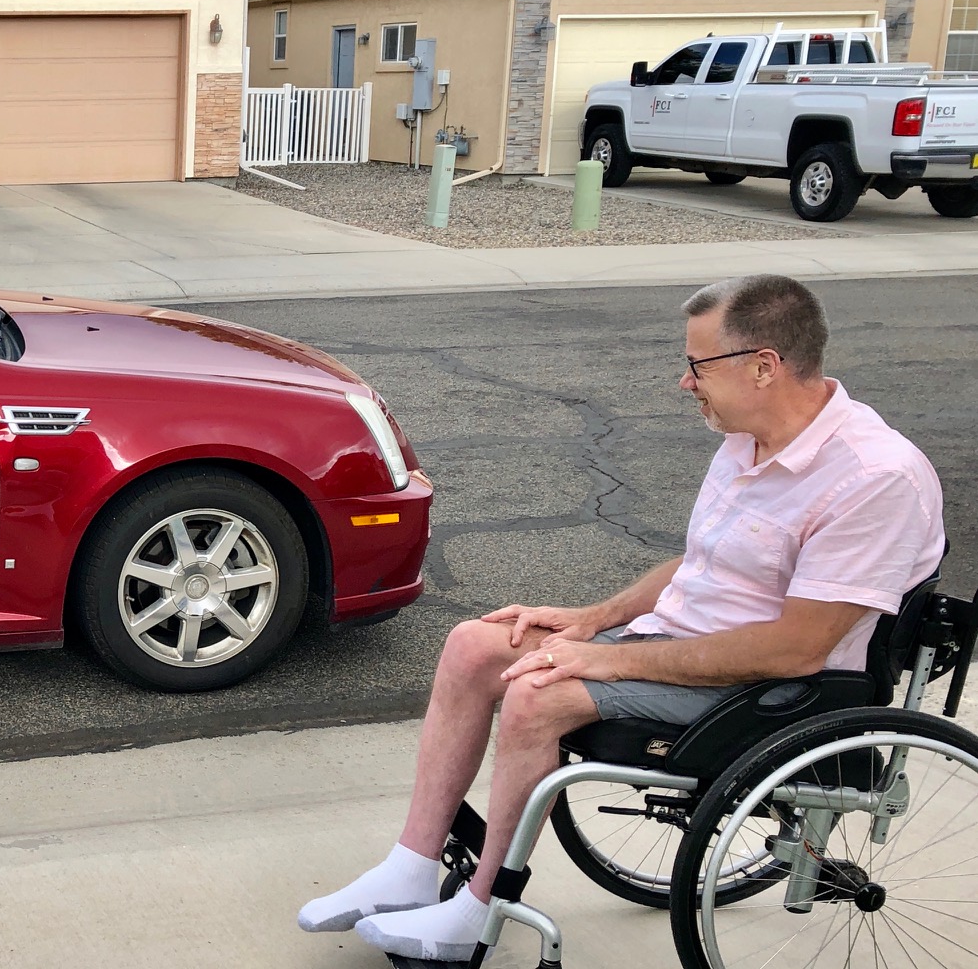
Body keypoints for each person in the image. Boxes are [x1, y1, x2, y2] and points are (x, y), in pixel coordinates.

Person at [298, 274, 944, 962]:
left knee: (536, 694)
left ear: (764, 367)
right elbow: (703, 563)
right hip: (683, 647)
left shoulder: (873, 479)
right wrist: (591, 619)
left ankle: (477, 908)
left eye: (698, 366)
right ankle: (409, 870)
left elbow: (796, 648)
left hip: (770, 689)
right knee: (473, 645)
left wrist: (607, 658)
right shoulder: (749, 437)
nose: (684, 382)